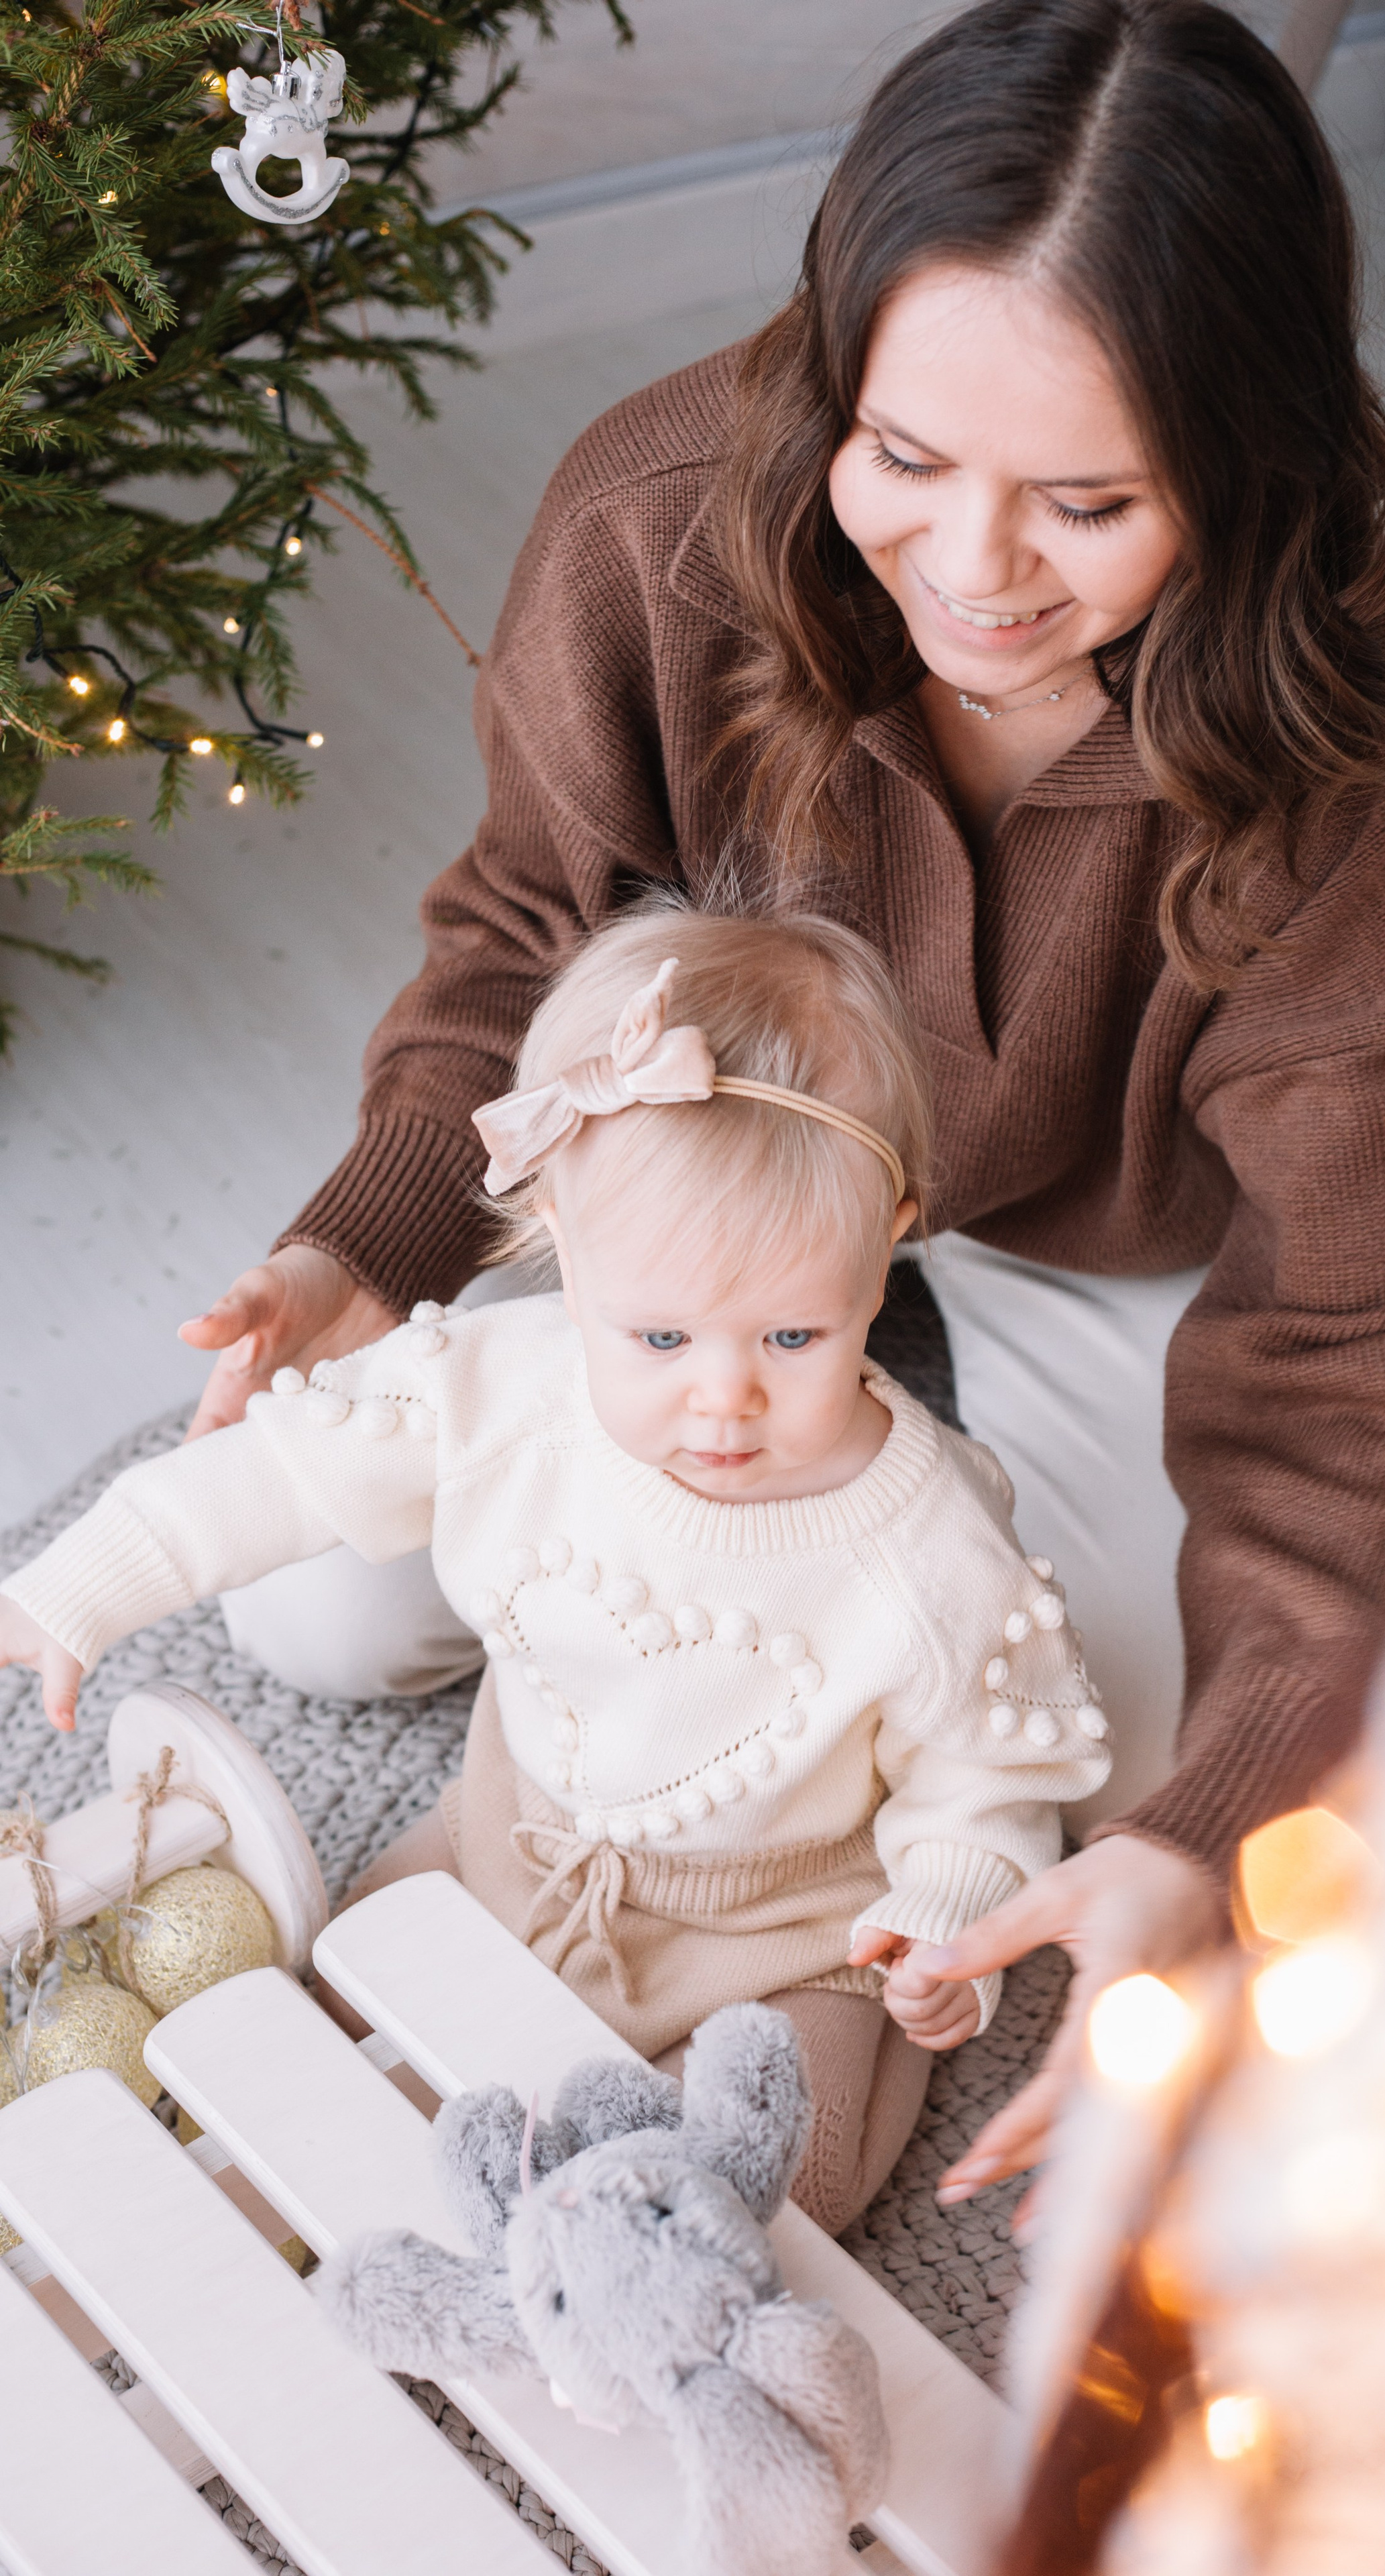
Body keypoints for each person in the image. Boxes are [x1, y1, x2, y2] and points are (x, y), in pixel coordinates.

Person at [164, 0, 1385, 2203]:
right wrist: (375, 1239)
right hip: (718, 1162)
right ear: (833, 365)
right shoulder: (652, 515)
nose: (974, 568)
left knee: (1116, 1756)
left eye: (1088, 502)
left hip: (1089, 1247)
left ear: (1245, 465)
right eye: (906, 460)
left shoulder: (1353, 765)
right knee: (309, 1601)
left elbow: (1361, 1352)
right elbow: (526, 930)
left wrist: (1206, 1839)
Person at [0, 910, 1113, 2235]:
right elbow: (284, 1468)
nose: (722, 1399)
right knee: (316, 2037)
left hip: (779, 1940)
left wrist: (945, 1914)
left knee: (770, 2191)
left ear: (892, 1240)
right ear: (558, 1247)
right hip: (507, 1841)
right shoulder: (504, 1390)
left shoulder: (930, 1547)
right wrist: (87, 1584)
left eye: (792, 1334)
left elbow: (993, 1773)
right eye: (656, 1334)